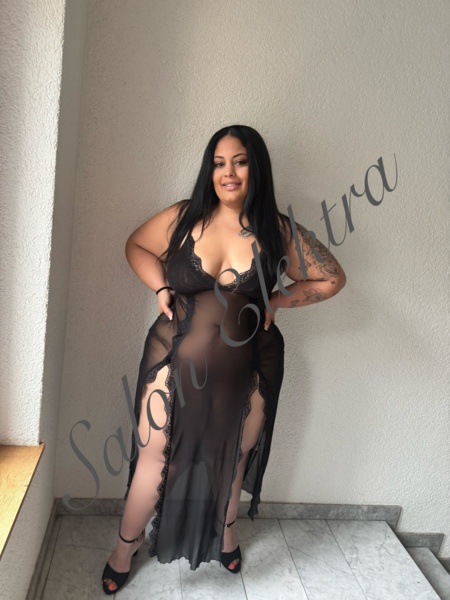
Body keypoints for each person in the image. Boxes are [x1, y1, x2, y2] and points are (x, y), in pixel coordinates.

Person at [101, 125, 346, 594]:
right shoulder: (183, 217)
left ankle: (226, 533)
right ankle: (124, 548)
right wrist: (161, 286)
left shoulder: (277, 230)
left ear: (257, 167)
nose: (228, 172)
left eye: (240, 161)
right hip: (174, 358)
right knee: (156, 458)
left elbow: (331, 278)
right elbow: (136, 245)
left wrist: (278, 301)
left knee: (232, 457)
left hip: (248, 365)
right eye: (218, 163)